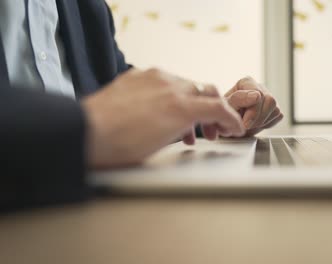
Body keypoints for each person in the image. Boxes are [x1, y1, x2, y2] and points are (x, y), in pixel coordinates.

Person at [0, 0, 283, 212]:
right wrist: (84, 126)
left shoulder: (84, 6)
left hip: (96, 207)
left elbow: (115, 87)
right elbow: (104, 116)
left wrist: (212, 113)